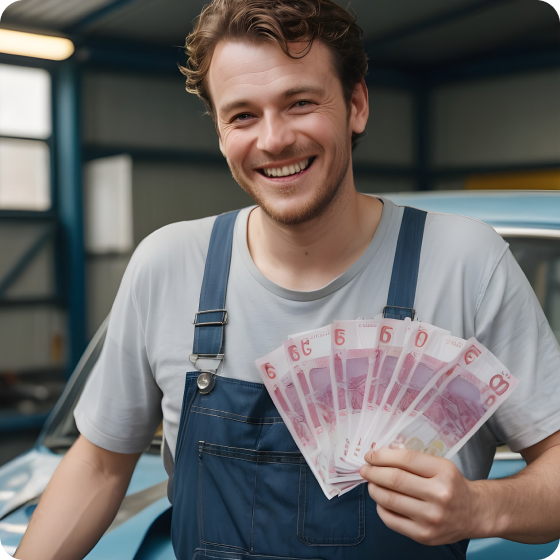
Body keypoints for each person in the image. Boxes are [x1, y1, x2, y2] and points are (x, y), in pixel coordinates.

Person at [15, 0, 560, 559]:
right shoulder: (168, 264)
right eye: (243, 115)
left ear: (356, 104)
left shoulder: (466, 264)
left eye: (299, 103)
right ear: (221, 132)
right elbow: (102, 464)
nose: (273, 140)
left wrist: (482, 508)